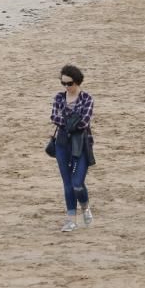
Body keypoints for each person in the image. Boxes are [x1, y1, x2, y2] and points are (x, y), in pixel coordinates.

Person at [50, 65, 94, 232]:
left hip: (81, 145)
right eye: (63, 84)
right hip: (62, 144)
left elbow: (84, 121)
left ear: (77, 81)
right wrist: (72, 122)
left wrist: (67, 121)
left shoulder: (87, 99)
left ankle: (85, 207)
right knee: (67, 183)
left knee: (77, 183)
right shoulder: (59, 98)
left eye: (69, 84)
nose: (66, 87)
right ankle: (71, 220)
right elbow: (54, 117)